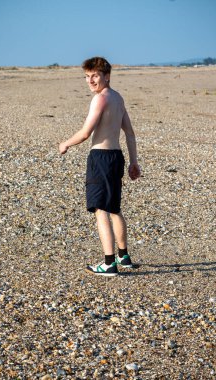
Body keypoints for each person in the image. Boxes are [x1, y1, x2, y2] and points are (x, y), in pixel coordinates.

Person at [59, 57, 141, 276]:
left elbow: (86, 133)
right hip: (116, 157)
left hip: (101, 158)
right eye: (87, 76)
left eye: (95, 75)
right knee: (114, 208)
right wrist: (134, 162)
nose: (90, 80)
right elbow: (130, 133)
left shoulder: (101, 99)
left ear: (107, 76)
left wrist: (65, 143)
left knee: (101, 210)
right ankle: (124, 256)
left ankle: (108, 263)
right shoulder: (118, 98)